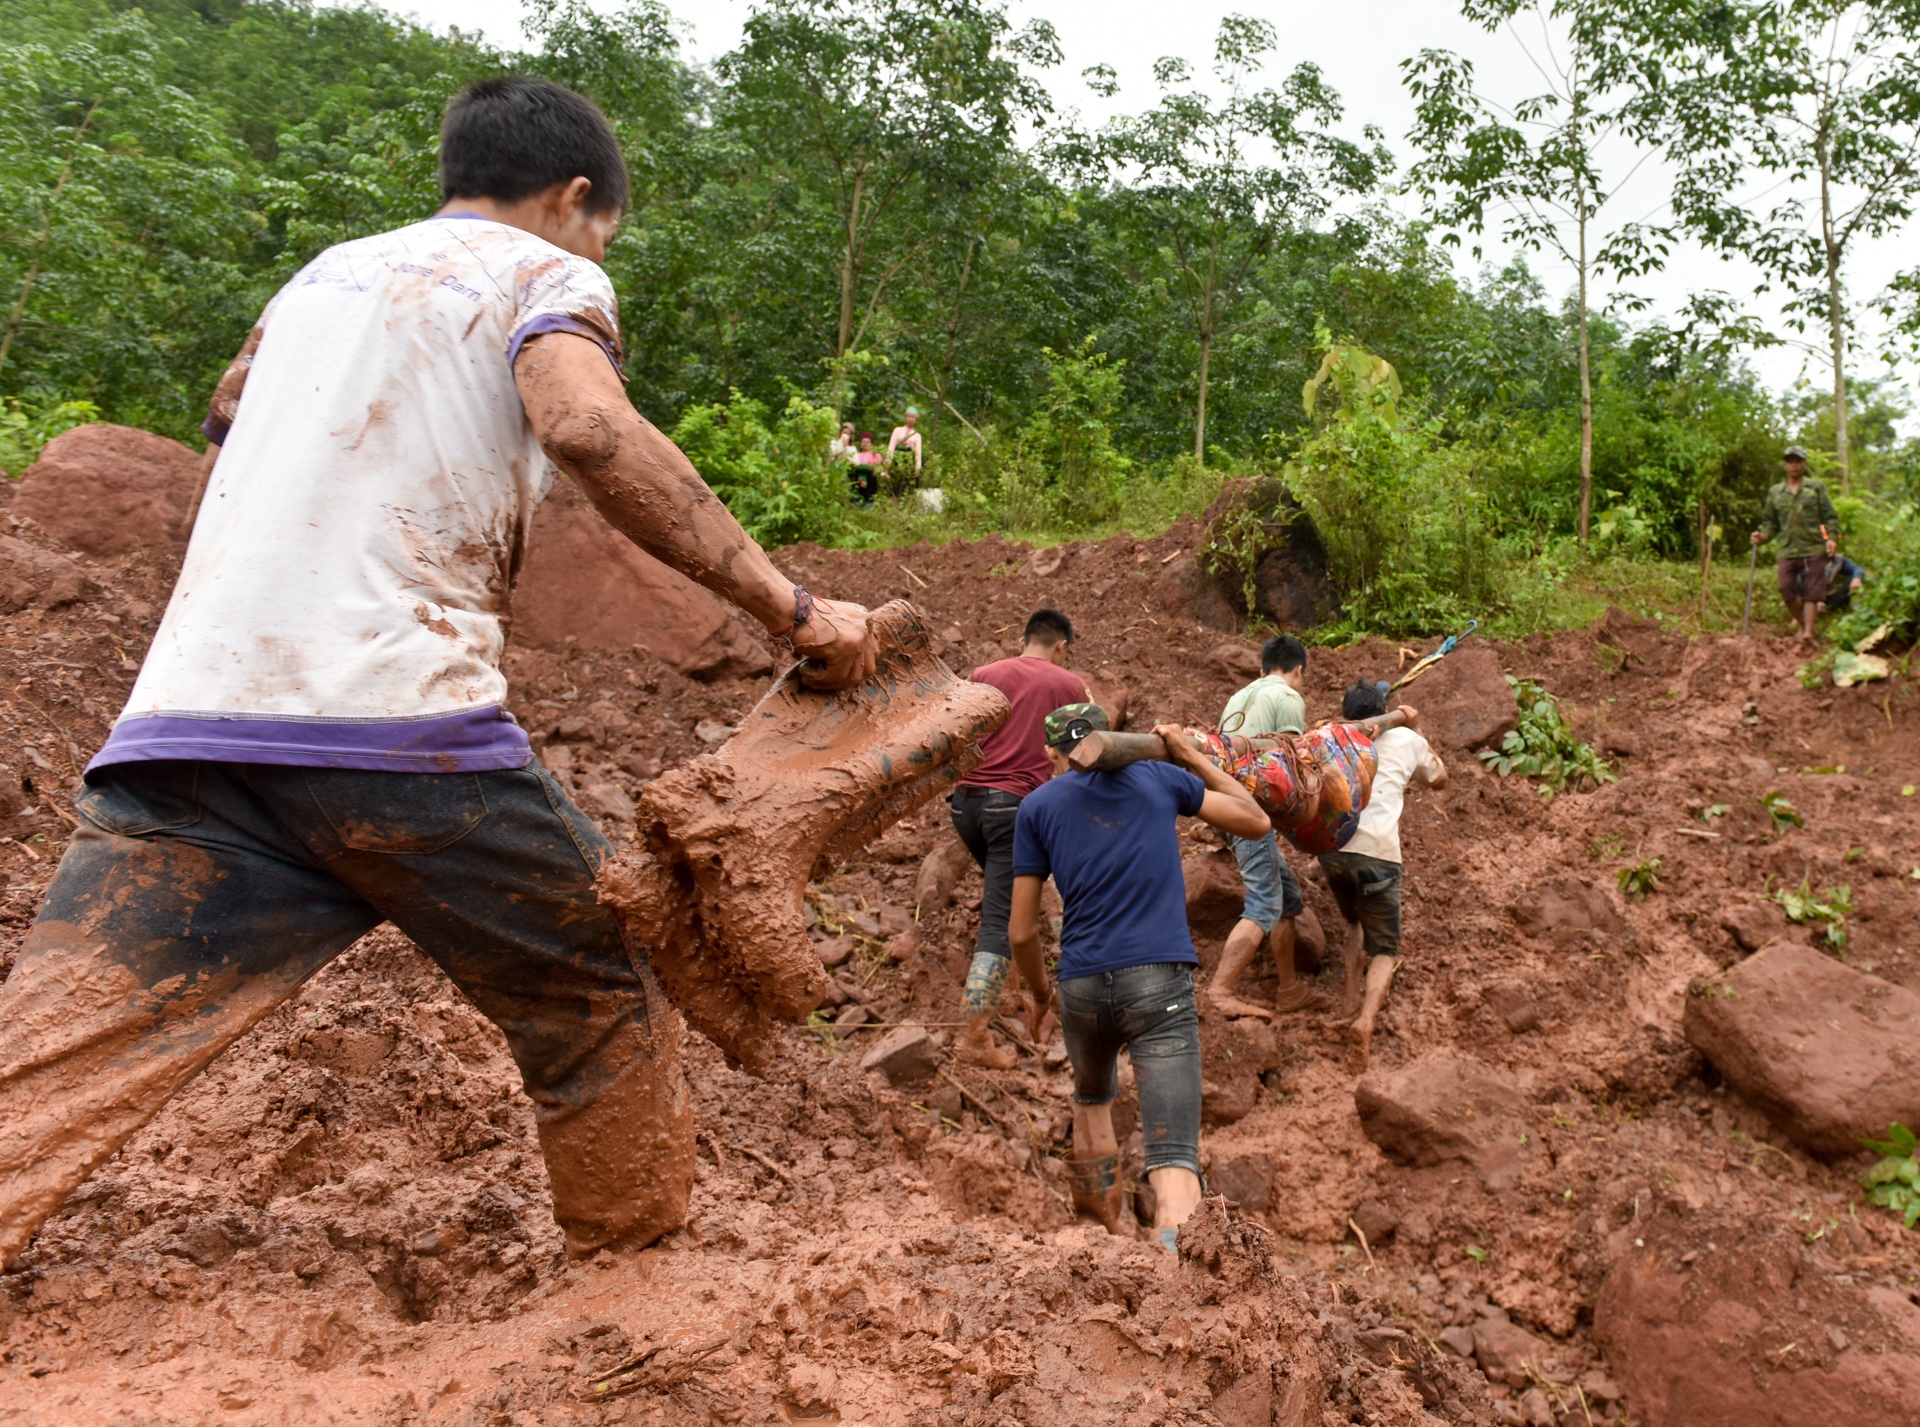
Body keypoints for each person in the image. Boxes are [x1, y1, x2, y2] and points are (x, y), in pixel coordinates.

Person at [0, 76, 877, 1273]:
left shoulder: (320, 277)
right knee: (602, 970)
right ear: (575, 199)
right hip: (390, 730)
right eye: (604, 227)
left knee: (61, 1043)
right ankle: (635, 1291)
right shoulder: (544, 273)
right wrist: (795, 604)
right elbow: (584, 427)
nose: (599, 245)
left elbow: (227, 409)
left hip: (188, 727)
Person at [1007, 704, 1271, 1252]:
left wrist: (1040, 994)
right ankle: (1174, 1288)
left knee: (1090, 1098)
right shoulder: (1159, 775)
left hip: (1080, 985)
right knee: (1173, 1159)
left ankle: (1107, 1239)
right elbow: (1256, 818)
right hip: (1158, 984)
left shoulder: (1035, 808)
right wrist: (1190, 756)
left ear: (1052, 755)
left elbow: (1020, 933)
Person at [949, 609, 1089, 1068]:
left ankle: (1005, 988)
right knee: (999, 921)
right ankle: (973, 1040)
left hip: (965, 804)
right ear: (1061, 646)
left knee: (1001, 895)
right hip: (1014, 808)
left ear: (1023, 637)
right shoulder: (1069, 686)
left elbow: (961, 731)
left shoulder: (983, 674)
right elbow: (1084, 751)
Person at [1316, 683, 1445, 1068]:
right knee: (1385, 948)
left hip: (1333, 851)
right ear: (1385, 711)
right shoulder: (1405, 738)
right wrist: (1417, 728)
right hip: (1379, 856)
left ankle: (1347, 1000)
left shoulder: (1330, 738)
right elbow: (1440, 779)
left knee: (1354, 923)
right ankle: (1365, 1023)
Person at [1209, 634, 1326, 1021]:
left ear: (1261, 670)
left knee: (1287, 899)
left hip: (1221, 803)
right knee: (1265, 901)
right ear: (1298, 671)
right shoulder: (1289, 697)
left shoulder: (1236, 697)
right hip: (1250, 808)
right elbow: (1291, 765)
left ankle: (1289, 989)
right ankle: (1220, 990)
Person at [1752, 444, 1839, 643]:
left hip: (1813, 546)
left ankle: (1808, 632)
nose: (1794, 465)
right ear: (1785, 465)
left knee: (1812, 591)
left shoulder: (1815, 488)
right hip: (1787, 548)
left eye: (1798, 461)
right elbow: (1770, 523)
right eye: (1790, 461)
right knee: (1786, 587)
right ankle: (1801, 625)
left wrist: (1831, 538)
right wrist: (1762, 537)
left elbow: (1830, 516)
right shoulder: (1775, 492)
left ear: (1804, 464)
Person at [1823, 550, 1866, 615]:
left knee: (1853, 581)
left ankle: (1858, 611)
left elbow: (1857, 568)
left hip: (1830, 597)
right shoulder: (1809, 560)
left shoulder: (1837, 559)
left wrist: (1857, 578)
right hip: (1811, 598)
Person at [887, 406, 924, 473]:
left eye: (913, 417)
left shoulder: (917, 435)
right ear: (905, 418)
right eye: (909, 416)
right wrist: (888, 463)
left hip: (909, 463)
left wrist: (917, 468)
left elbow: (918, 454)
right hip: (897, 460)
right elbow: (891, 447)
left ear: (916, 420)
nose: (911, 419)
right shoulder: (897, 430)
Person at [849, 431, 882, 504]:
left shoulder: (876, 455)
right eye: (863, 442)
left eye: (867, 442)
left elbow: (876, 466)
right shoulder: (856, 455)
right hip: (858, 483)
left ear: (871, 444)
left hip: (871, 484)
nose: (865, 444)